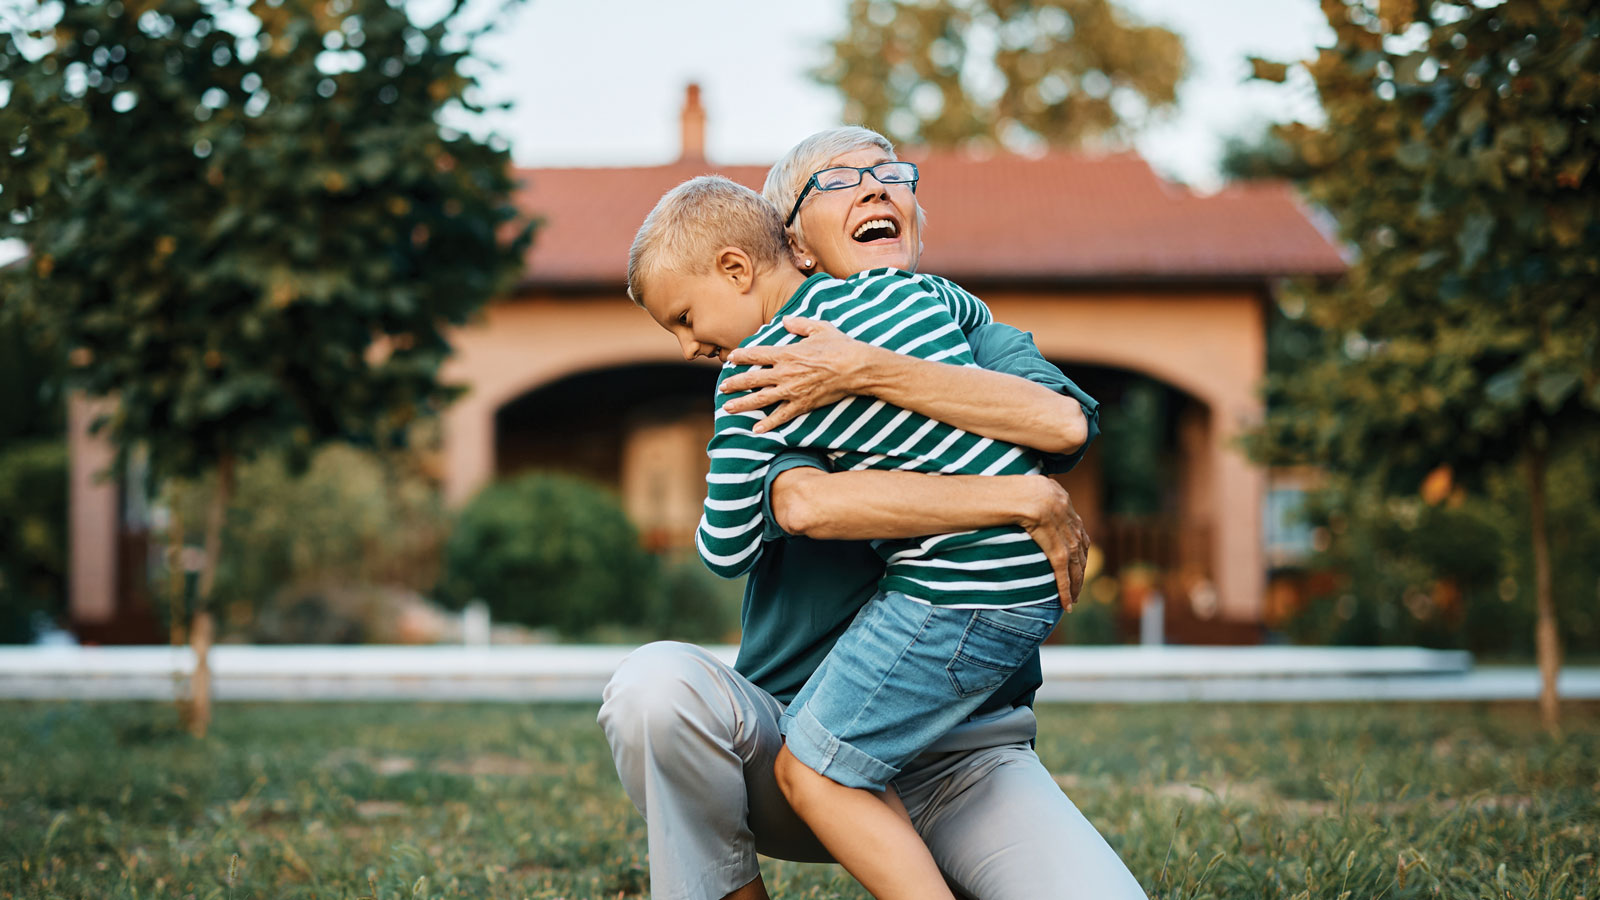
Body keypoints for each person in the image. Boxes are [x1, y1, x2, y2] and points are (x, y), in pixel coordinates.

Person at [599, 127, 1145, 900]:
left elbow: (1062, 424)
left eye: (892, 174)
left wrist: (868, 369)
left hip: (965, 756)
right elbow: (803, 502)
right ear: (795, 244)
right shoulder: (780, 366)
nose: (877, 187)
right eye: (841, 180)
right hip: (796, 742)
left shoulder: (962, 323)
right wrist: (1019, 496)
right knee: (656, 688)